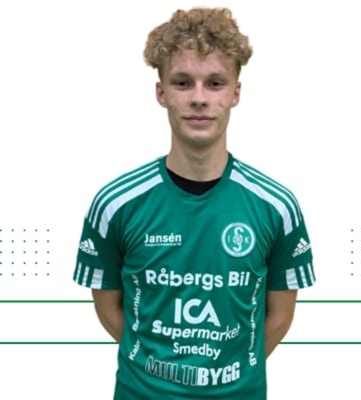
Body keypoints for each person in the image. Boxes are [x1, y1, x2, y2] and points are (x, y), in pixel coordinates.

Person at [73, 7, 315, 399]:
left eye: (215, 83)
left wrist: (224, 376)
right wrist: (160, 371)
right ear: (161, 92)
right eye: (183, 83)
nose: (199, 99)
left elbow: (279, 317)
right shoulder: (115, 204)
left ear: (235, 93)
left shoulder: (277, 207)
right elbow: (111, 310)